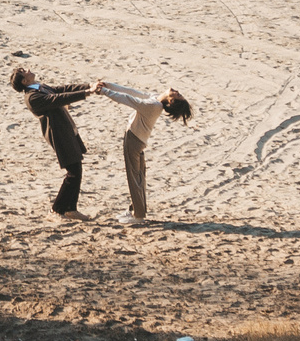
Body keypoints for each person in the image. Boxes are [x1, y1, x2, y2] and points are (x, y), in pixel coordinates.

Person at [94, 79, 193, 224]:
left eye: (178, 95)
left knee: (134, 178)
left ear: (171, 101)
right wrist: (108, 85)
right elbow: (133, 92)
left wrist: (104, 91)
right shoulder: (155, 99)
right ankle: (135, 210)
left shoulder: (153, 106)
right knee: (139, 177)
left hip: (134, 141)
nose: (177, 91)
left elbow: (127, 99)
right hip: (138, 140)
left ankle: (138, 215)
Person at [11, 65, 96, 220]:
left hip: (67, 130)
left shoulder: (39, 87)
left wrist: (88, 86)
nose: (28, 70)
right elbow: (58, 99)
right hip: (59, 135)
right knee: (73, 172)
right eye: (24, 72)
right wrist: (87, 93)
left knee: (76, 169)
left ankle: (70, 209)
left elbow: (62, 90)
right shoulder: (32, 98)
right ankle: (57, 209)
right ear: (24, 81)